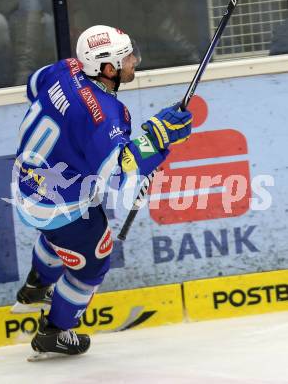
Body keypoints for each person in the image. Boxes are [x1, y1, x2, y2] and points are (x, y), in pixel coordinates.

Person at [12, 25, 192, 358]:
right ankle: (54, 331)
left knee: (59, 239)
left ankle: (36, 285)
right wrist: (159, 137)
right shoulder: (106, 113)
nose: (134, 61)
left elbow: (33, 85)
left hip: (26, 183)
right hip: (59, 205)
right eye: (127, 58)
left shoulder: (66, 68)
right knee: (92, 262)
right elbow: (121, 174)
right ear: (107, 69)